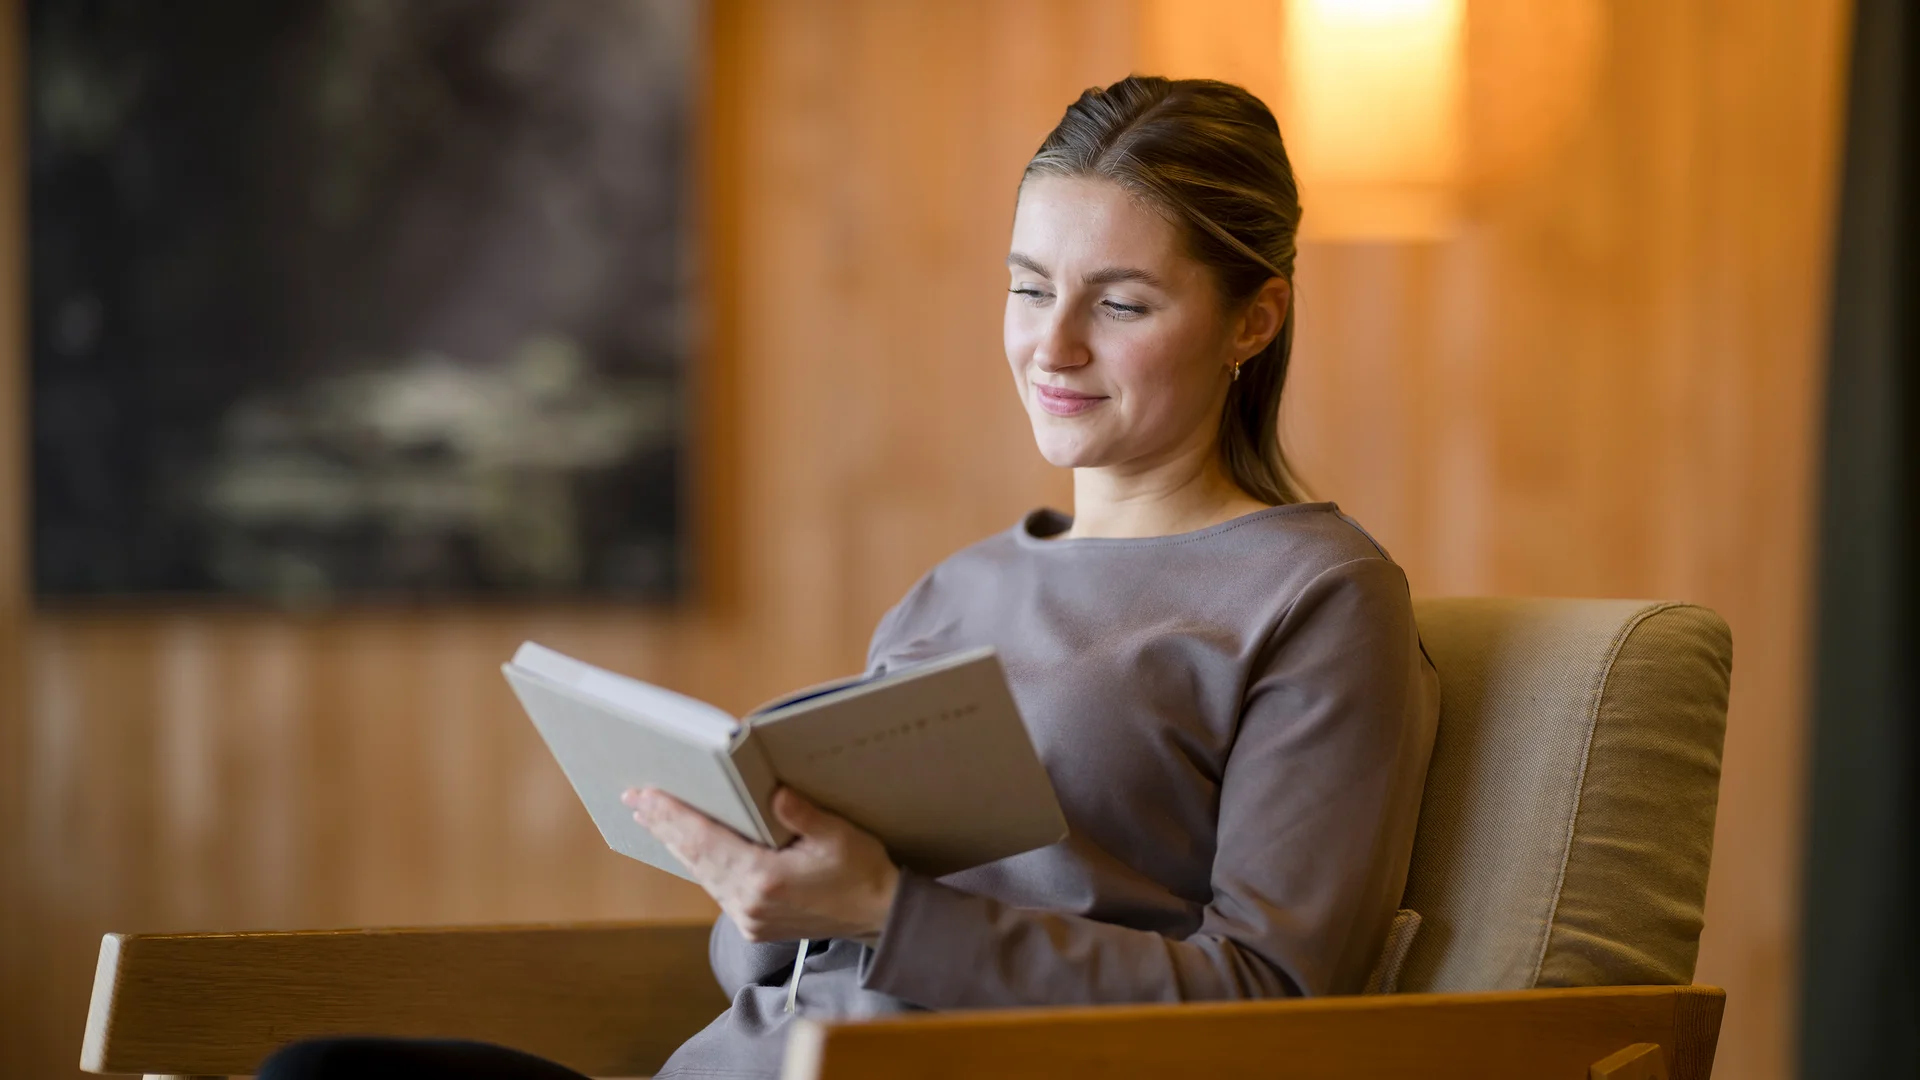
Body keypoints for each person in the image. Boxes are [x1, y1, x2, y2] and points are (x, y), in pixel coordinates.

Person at [259, 74, 1440, 1080]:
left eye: (1120, 303)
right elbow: (778, 965)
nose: (1053, 345)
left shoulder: (1315, 596)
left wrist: (886, 914)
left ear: (1254, 320)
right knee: (317, 1072)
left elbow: (1275, 997)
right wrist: (763, 899)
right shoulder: (954, 591)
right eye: (1029, 288)